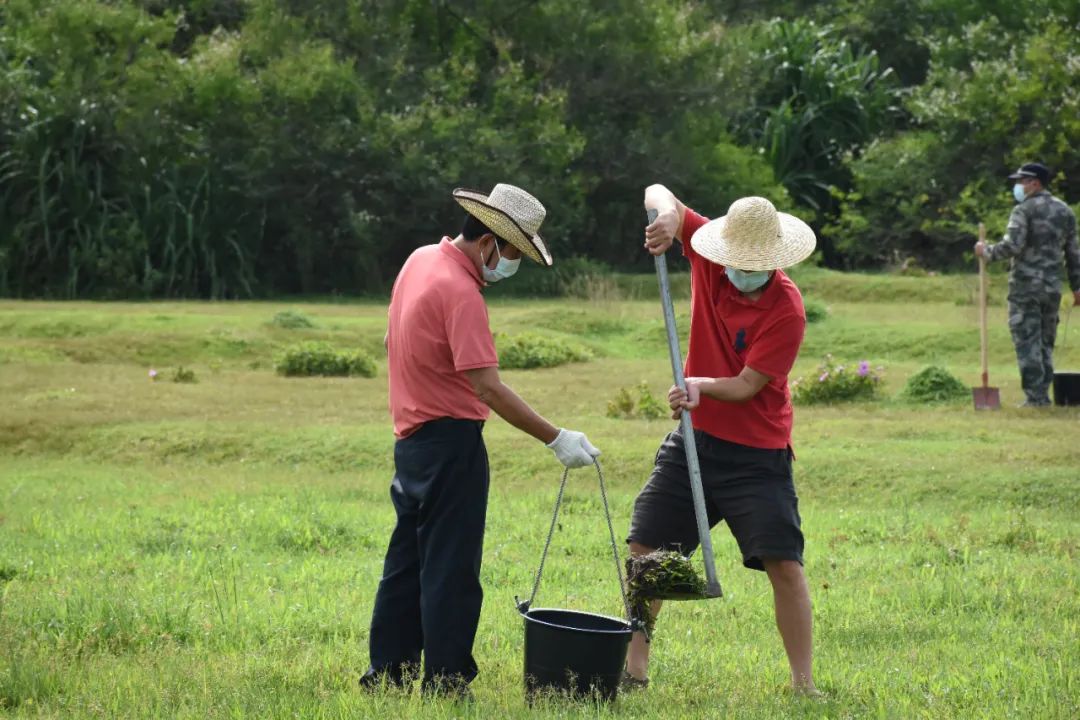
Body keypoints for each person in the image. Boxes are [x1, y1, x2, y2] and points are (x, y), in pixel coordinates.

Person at [362, 183, 601, 695]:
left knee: (405, 564)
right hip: (451, 445)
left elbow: (392, 339)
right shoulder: (461, 291)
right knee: (451, 568)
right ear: (491, 240)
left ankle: (388, 672)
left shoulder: (420, 260)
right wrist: (556, 437)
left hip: (410, 442)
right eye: (513, 252)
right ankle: (446, 680)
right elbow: (487, 385)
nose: (510, 264)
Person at [624, 185, 819, 695]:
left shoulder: (787, 310)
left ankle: (804, 684)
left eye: (756, 264)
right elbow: (656, 191)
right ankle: (634, 669)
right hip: (695, 440)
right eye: (738, 260)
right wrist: (667, 218)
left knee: (784, 563)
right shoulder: (711, 257)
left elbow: (747, 386)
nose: (743, 270)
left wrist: (699, 387)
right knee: (647, 549)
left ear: (775, 261)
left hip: (758, 454)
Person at [975, 162, 1080, 407]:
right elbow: (1073, 253)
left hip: (1025, 287)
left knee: (1027, 339)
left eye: (1022, 181)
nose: (1018, 186)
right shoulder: (1065, 211)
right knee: (1044, 341)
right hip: (1052, 287)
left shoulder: (1023, 210)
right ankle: (1041, 393)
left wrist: (986, 251)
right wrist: (1077, 286)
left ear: (1035, 182)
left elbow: (1013, 245)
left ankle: (1036, 398)